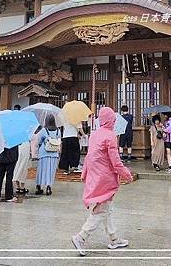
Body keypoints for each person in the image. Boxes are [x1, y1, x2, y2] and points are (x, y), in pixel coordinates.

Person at [71, 106, 133, 256]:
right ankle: (81, 237)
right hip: (104, 178)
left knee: (107, 209)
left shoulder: (94, 134)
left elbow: (89, 156)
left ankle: (114, 238)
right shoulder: (110, 136)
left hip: (95, 176)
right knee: (101, 211)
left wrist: (84, 173)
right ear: (112, 120)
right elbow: (116, 162)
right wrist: (127, 175)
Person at [35, 114, 60, 196]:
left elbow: (39, 141)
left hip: (44, 153)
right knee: (51, 171)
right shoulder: (58, 130)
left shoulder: (44, 130)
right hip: (54, 153)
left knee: (42, 170)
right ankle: (49, 187)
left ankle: (39, 186)